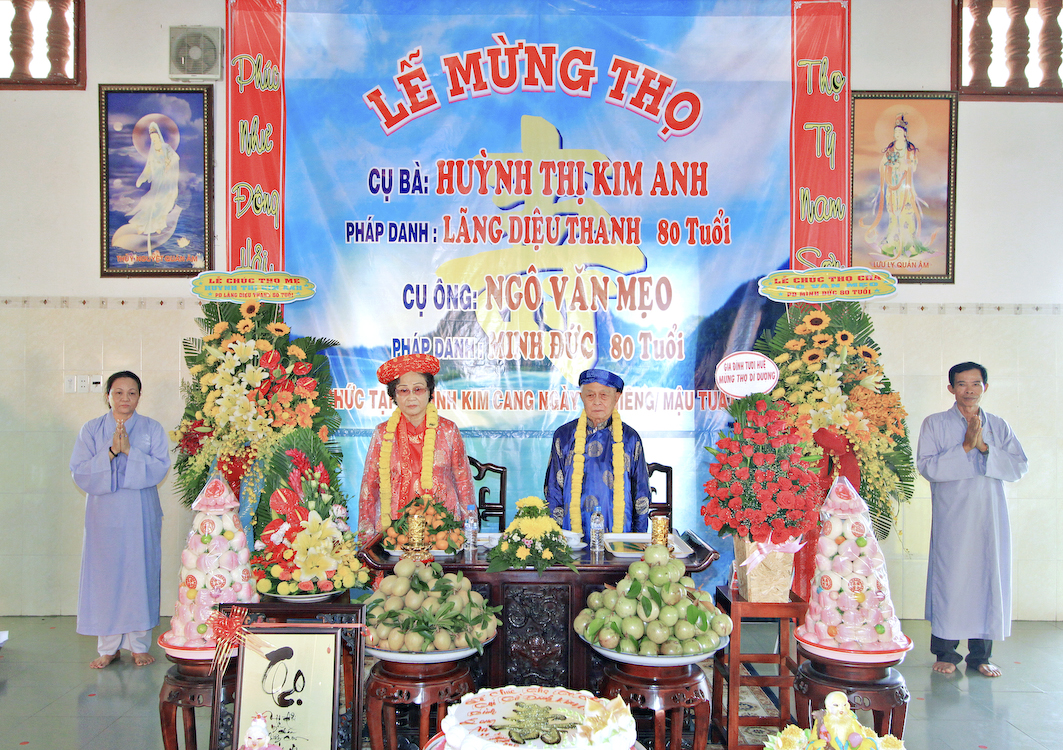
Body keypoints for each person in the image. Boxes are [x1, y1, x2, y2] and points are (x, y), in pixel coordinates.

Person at [917, 362, 1027, 677]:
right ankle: (946, 653)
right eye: (962, 384)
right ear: (951, 388)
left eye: (975, 384)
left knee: (987, 578)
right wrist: (965, 446)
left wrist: (984, 447)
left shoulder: (999, 426)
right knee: (950, 579)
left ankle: (980, 656)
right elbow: (927, 467)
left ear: (985, 387)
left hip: (989, 515)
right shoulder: (935, 423)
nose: (969, 390)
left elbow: (1019, 466)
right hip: (953, 514)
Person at [71, 371, 171, 668]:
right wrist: (112, 451)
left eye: (131, 392)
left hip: (139, 510)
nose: (125, 398)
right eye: (118, 392)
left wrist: (130, 451)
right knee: (105, 576)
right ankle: (108, 647)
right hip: (103, 513)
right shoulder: (91, 430)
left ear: (139, 397)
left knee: (139, 573)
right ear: (108, 396)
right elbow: (80, 471)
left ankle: (138, 646)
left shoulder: (152, 429)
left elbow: (160, 468)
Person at [358, 353, 474, 533]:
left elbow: (463, 481)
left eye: (418, 389)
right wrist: (367, 538)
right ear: (394, 395)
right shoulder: (382, 433)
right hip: (395, 530)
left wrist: (469, 532)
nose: (411, 397)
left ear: (430, 392)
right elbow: (369, 487)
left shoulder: (448, 430)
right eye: (403, 390)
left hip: (442, 530)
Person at [544, 369, 651, 543]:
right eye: (590, 395)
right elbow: (553, 492)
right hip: (571, 539)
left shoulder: (630, 438)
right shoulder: (563, 436)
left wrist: (637, 543)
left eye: (604, 395)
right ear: (581, 397)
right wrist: (556, 543)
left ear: (616, 398)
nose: (597, 402)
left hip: (620, 539)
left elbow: (641, 495)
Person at [127, 120, 181, 253]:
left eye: (155, 136)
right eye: (152, 137)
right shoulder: (152, 152)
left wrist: (169, 163)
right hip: (157, 180)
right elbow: (149, 168)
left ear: (159, 136)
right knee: (152, 200)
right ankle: (144, 225)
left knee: (163, 202)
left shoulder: (166, 148)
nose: (154, 139)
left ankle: (158, 225)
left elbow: (175, 158)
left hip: (166, 180)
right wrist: (142, 178)